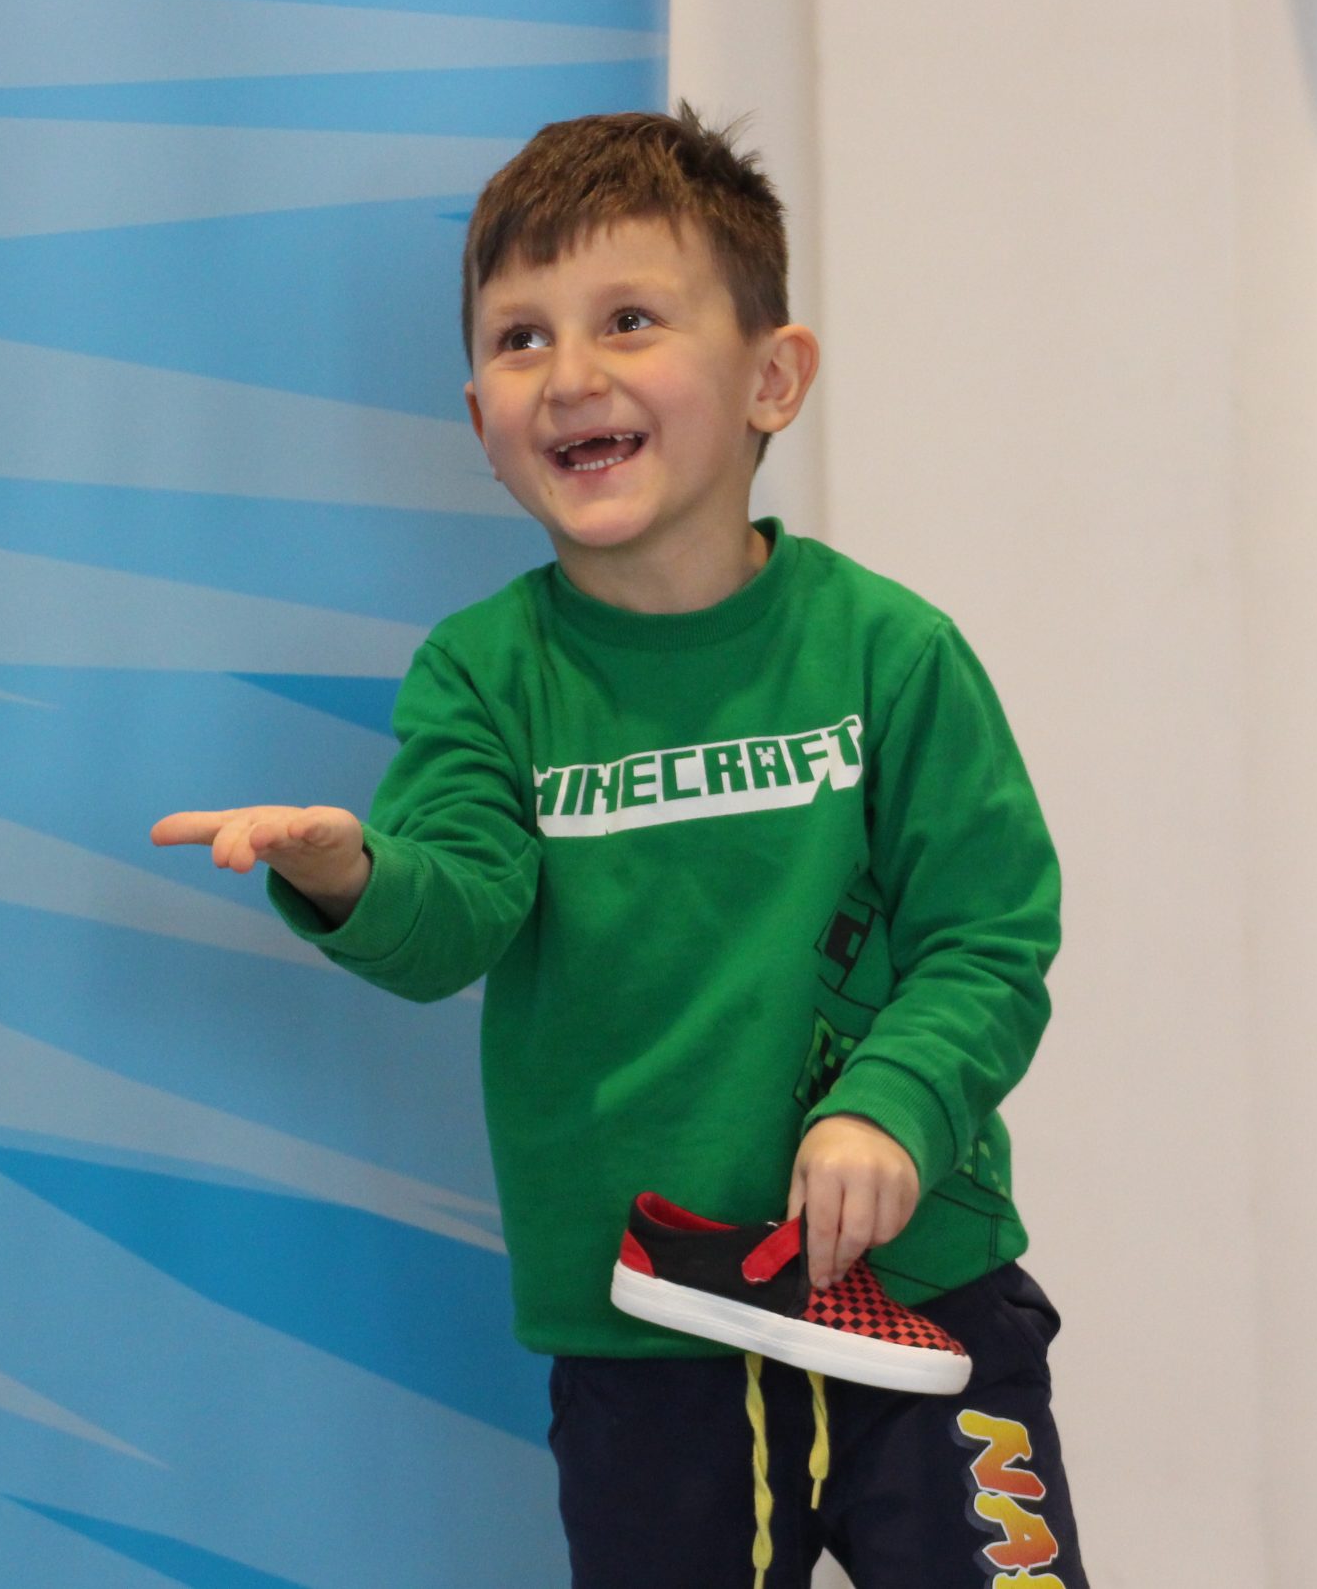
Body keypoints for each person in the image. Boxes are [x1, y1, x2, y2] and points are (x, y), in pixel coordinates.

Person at [152, 103, 1078, 1588]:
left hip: (924, 1302)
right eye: (521, 338)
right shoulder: (482, 676)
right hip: (647, 1337)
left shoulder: (892, 654)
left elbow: (990, 937)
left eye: (629, 320)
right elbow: (457, 912)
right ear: (481, 421)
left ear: (773, 377)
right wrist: (350, 873)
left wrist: (890, 1110)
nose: (571, 374)